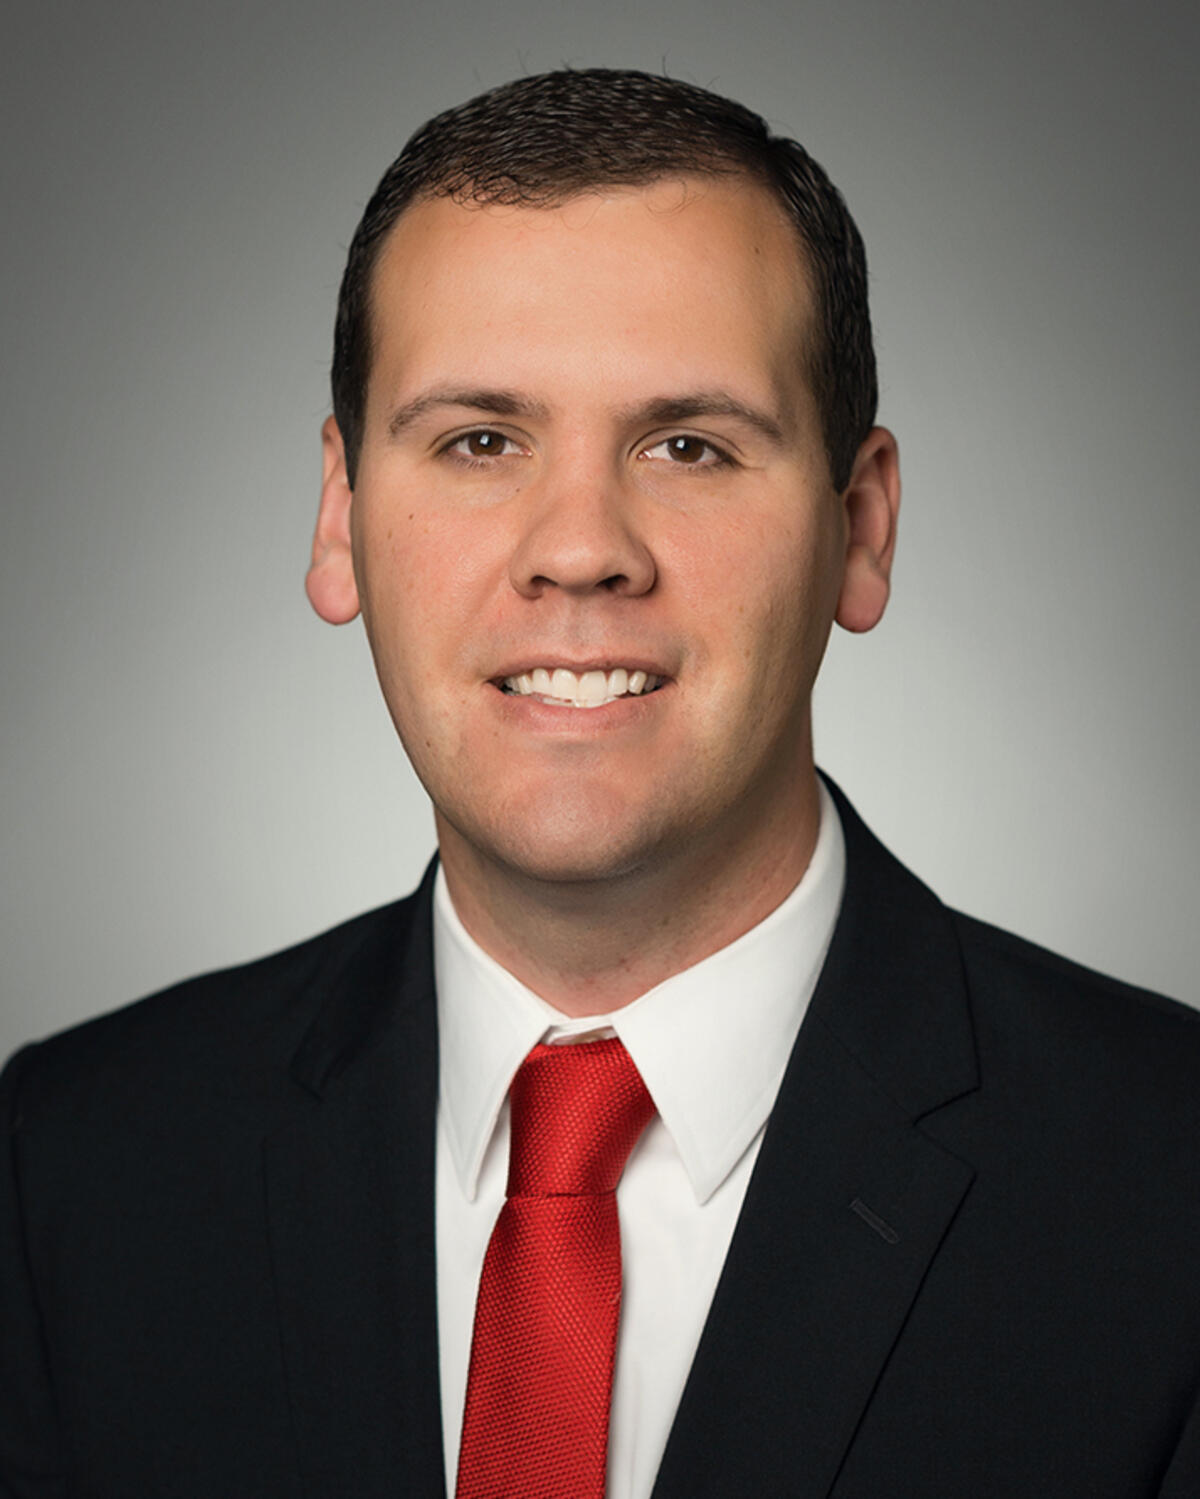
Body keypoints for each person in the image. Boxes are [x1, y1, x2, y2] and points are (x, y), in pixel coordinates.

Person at [2, 67, 1198, 1499]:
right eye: (480, 441)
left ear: (862, 527)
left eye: (687, 445)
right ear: (340, 515)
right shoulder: (70, 1169)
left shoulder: (1170, 1188)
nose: (579, 549)